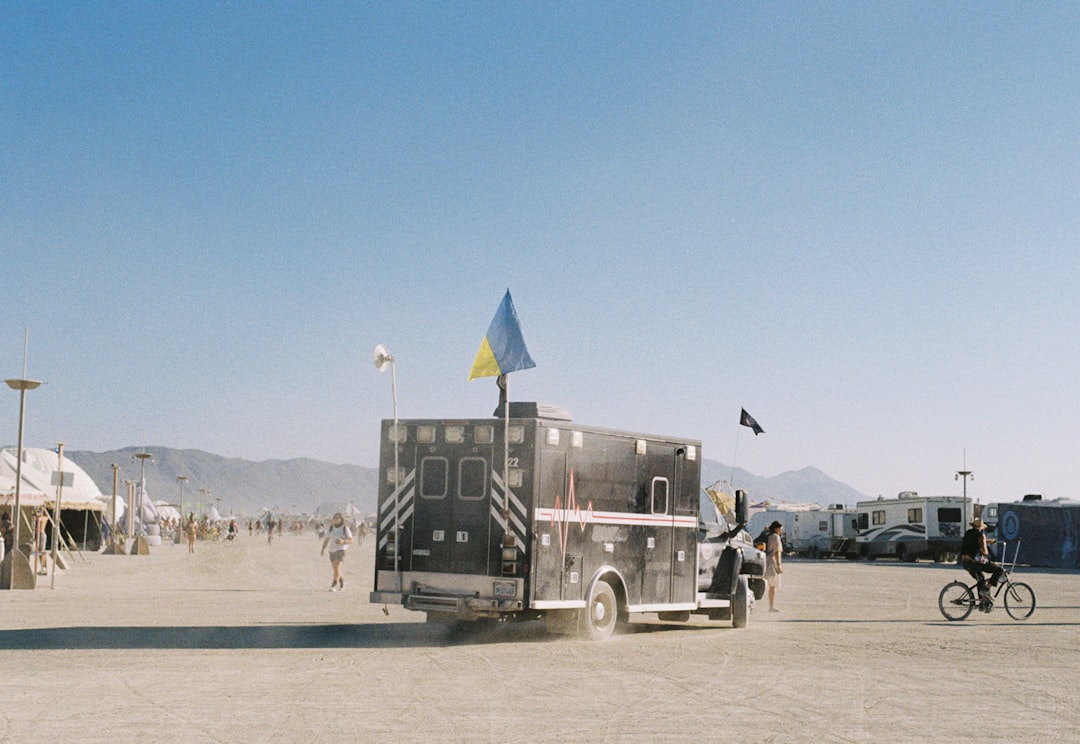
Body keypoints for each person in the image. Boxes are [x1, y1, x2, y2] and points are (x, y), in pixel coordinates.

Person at [960, 517, 1004, 609]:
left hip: (965, 562)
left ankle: (982, 604)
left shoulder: (968, 533)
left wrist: (988, 541)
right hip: (975, 561)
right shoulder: (981, 535)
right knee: (999, 570)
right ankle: (987, 589)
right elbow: (985, 552)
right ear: (981, 528)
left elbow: (974, 542)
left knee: (981, 579)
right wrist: (985, 544)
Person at [321, 512, 353, 592]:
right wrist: (323, 549)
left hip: (341, 549)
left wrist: (343, 541)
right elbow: (327, 539)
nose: (335, 519)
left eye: (337, 518)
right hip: (332, 550)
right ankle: (341, 582)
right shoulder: (331, 528)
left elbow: (351, 540)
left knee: (338, 565)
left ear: (341, 519)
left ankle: (334, 585)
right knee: (336, 569)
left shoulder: (345, 528)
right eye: (334, 517)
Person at [764, 520, 784, 613]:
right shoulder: (776, 537)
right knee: (772, 586)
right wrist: (779, 566)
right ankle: (771, 606)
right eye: (780, 529)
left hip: (764, 561)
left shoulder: (767, 535)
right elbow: (777, 552)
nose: (781, 530)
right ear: (777, 528)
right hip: (772, 562)